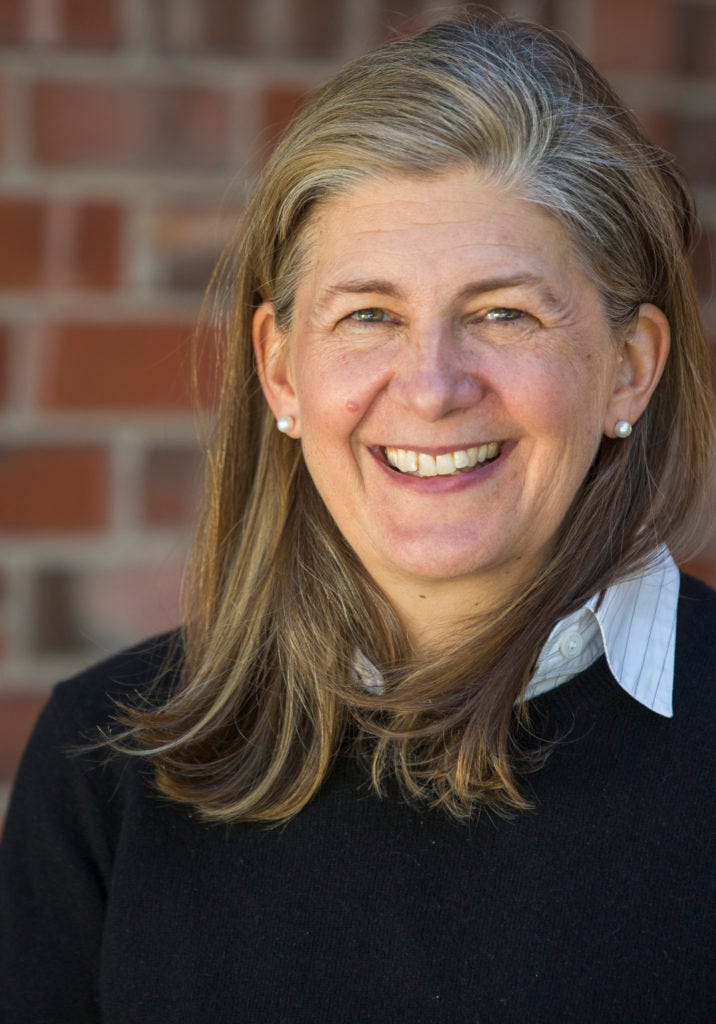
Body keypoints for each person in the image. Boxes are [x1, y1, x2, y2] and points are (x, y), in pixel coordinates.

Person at [1, 13, 714, 1023]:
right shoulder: (106, 763)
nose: (429, 386)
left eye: (501, 313)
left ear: (628, 368)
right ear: (282, 368)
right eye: (368, 315)